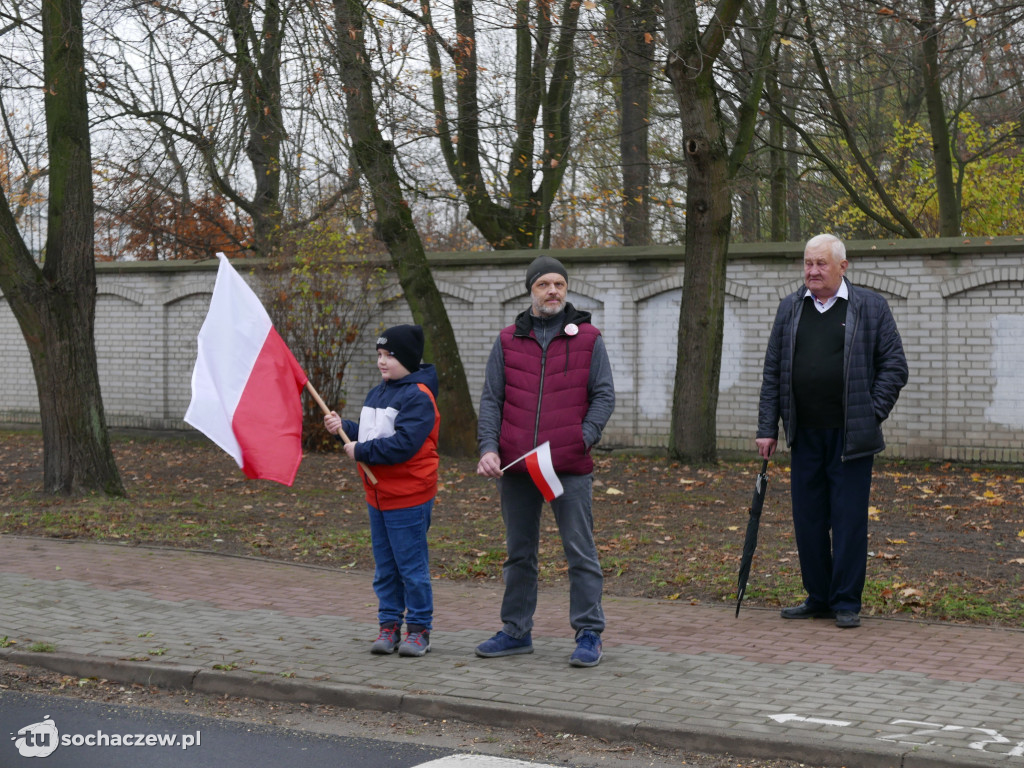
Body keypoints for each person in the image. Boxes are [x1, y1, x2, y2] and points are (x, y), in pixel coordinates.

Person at [756, 234, 908, 629]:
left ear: (843, 266)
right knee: (807, 520)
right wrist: (766, 427)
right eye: (807, 263)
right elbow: (773, 372)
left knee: (847, 520)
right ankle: (818, 596)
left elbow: (895, 366)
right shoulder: (790, 308)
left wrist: (870, 413)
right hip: (804, 434)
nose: (812, 271)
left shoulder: (870, 307)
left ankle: (845, 601)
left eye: (821, 263)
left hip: (851, 437)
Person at [475, 255, 615, 667]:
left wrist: (581, 439)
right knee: (519, 553)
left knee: (580, 551)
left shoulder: (588, 338)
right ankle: (516, 632)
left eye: (559, 284)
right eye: (544, 284)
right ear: (530, 290)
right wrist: (488, 448)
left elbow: (604, 396)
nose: (553, 290)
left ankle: (589, 633)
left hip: (568, 466)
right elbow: (491, 400)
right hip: (517, 467)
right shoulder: (506, 341)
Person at [324, 324, 440, 657]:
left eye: (389, 355)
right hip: (378, 496)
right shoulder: (378, 393)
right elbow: (370, 433)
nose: (382, 361)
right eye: (379, 354)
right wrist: (342, 429)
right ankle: (389, 625)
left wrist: (361, 451)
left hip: (408, 497)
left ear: (408, 358)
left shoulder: (419, 397)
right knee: (385, 567)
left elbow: (403, 445)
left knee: (411, 568)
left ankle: (419, 629)